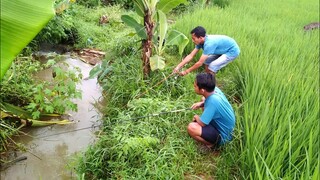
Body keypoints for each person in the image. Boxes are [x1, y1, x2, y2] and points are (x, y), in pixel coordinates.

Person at [187, 73, 235, 148]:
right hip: (223, 126)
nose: (194, 87)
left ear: (202, 90)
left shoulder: (212, 102)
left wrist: (196, 117)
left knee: (191, 127)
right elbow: (209, 103)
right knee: (203, 99)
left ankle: (212, 144)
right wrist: (202, 104)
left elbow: (202, 124)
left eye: (195, 86)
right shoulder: (214, 90)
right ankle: (209, 127)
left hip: (223, 135)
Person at [173, 26, 240, 76]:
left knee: (212, 66)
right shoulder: (200, 42)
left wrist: (186, 71)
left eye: (194, 39)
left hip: (231, 51)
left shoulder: (209, 44)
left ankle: (212, 87)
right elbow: (191, 55)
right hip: (222, 49)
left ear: (201, 38)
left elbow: (199, 63)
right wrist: (178, 67)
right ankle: (208, 78)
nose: (193, 41)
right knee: (207, 61)